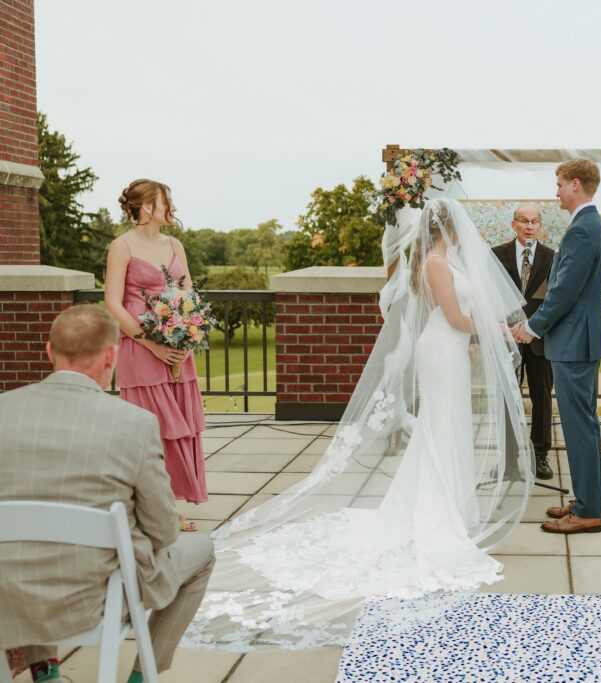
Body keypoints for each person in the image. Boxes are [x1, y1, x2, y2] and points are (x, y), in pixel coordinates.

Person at [183, 198, 532, 650]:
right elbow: (454, 317)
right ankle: (435, 513)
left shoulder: (438, 259)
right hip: (442, 353)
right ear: (449, 228)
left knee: (444, 429)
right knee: (441, 429)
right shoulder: (436, 264)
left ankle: (448, 507)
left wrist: (472, 337)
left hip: (449, 353)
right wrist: (496, 330)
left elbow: (455, 321)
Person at [0, 306, 215, 683]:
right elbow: (164, 532)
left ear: (49, 353)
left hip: (9, 594)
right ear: (111, 355)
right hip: (96, 600)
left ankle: (45, 670)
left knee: (25, 552)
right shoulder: (135, 424)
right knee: (203, 551)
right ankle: (142, 675)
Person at [513, 159, 601, 535]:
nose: (555, 192)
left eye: (558, 185)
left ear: (574, 184)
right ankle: (587, 500)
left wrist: (533, 327)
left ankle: (588, 512)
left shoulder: (582, 230)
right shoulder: (589, 225)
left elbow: (564, 291)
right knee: (583, 426)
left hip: (573, 345)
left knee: (578, 428)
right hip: (578, 343)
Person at [105, 179, 207, 532]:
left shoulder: (175, 244)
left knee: (179, 429)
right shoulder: (121, 247)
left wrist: (188, 335)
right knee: (153, 431)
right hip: (141, 347)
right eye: (167, 201)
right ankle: (157, 511)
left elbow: (189, 294)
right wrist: (150, 343)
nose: (173, 207)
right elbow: (112, 303)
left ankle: (167, 505)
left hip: (178, 349)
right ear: (147, 206)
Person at [492, 204, 556, 480]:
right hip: (507, 337)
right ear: (513, 224)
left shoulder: (552, 257)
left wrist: (533, 326)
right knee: (507, 397)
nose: (529, 226)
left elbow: (554, 299)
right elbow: (488, 296)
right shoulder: (497, 255)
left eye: (534, 221)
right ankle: (507, 460)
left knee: (541, 398)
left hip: (540, 338)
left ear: (540, 226)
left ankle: (540, 455)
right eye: (524, 221)